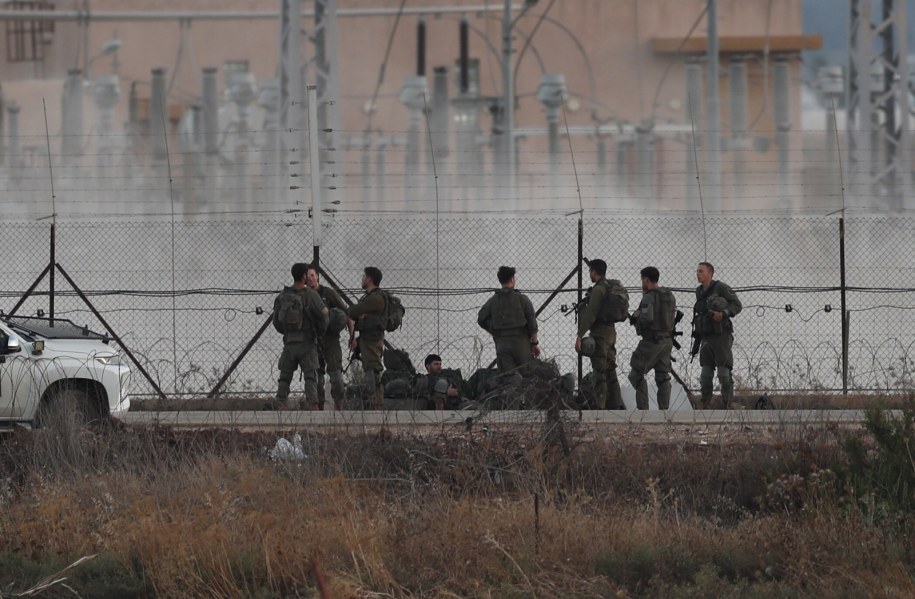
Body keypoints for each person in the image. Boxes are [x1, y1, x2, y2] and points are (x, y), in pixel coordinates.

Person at [272, 263, 328, 409]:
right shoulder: (311, 294)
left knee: (285, 377)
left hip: (289, 343)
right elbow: (324, 316)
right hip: (307, 343)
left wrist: (288, 332)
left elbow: (276, 322)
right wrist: (319, 333)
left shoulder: (283, 296)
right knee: (310, 376)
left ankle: (280, 405)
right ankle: (313, 407)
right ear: (304, 276)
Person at [574, 259, 628, 410]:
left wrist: (579, 335)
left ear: (594, 271)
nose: (589, 274)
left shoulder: (598, 290)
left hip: (600, 333)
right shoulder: (609, 287)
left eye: (590, 271)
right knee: (610, 368)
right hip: (611, 331)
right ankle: (615, 405)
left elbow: (591, 314)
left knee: (599, 370)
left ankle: (600, 407)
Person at [693, 261, 742, 408]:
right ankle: (706, 403)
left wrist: (724, 314)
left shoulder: (720, 287)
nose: (698, 274)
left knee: (723, 373)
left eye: (701, 271)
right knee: (706, 374)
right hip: (706, 336)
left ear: (710, 273)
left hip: (721, 335)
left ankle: (728, 402)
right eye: (697, 271)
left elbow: (737, 305)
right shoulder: (699, 291)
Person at [628, 266, 677, 410]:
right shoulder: (669, 295)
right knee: (663, 376)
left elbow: (647, 318)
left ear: (646, 279)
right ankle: (664, 411)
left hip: (651, 342)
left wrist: (637, 318)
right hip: (667, 341)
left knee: (636, 374)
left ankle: (643, 410)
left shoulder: (648, 297)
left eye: (642, 280)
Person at [306, 265, 353, 410]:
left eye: (312, 275)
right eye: (307, 276)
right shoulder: (304, 296)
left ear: (317, 276)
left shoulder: (328, 293)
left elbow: (348, 314)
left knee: (336, 376)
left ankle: (339, 404)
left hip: (330, 339)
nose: (310, 278)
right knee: (316, 379)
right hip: (313, 341)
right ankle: (317, 410)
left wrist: (353, 337)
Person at [477, 266, 540, 374]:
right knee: (526, 377)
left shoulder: (493, 301)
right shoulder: (522, 299)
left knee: (508, 379)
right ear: (512, 279)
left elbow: (481, 319)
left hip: (502, 345)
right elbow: (533, 326)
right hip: (521, 345)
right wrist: (534, 344)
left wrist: (494, 329)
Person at [347, 266, 387, 409]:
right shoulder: (369, 297)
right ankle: (374, 404)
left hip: (372, 339)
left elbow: (353, 311)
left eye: (363, 276)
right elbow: (355, 312)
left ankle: (376, 406)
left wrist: (360, 313)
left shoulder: (376, 298)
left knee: (373, 372)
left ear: (369, 279)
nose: (362, 279)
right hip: (367, 338)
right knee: (370, 371)